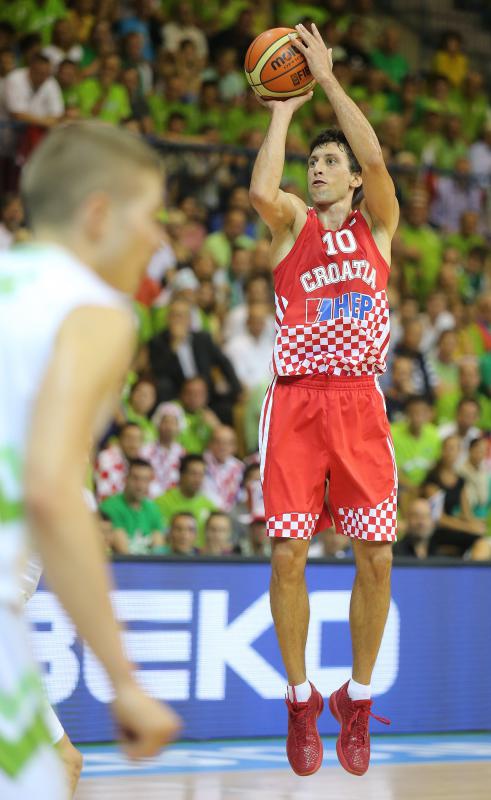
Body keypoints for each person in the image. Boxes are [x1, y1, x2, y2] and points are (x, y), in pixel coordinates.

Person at [0, 121, 179, 798]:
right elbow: (50, 489)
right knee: (60, 771)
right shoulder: (97, 312)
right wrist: (125, 683)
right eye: (151, 218)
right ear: (98, 215)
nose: (159, 240)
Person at [249, 23, 399, 778]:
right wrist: (282, 106)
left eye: (327, 160)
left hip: (359, 405)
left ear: (351, 181)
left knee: (375, 555)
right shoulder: (291, 227)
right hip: (298, 405)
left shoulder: (379, 225)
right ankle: (301, 700)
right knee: (287, 554)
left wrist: (329, 83)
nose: (318, 168)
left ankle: (358, 702)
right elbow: (255, 189)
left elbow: (373, 155)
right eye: (312, 161)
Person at [99, 459, 164, 554]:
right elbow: (124, 552)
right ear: (125, 479)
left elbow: (159, 551)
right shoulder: (110, 507)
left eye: (145, 480)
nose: (140, 485)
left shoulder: (153, 509)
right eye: (135, 478)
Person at [156, 454, 216, 549]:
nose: (197, 479)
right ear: (181, 475)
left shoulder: (210, 506)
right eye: (193, 474)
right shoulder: (161, 502)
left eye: (201, 474)